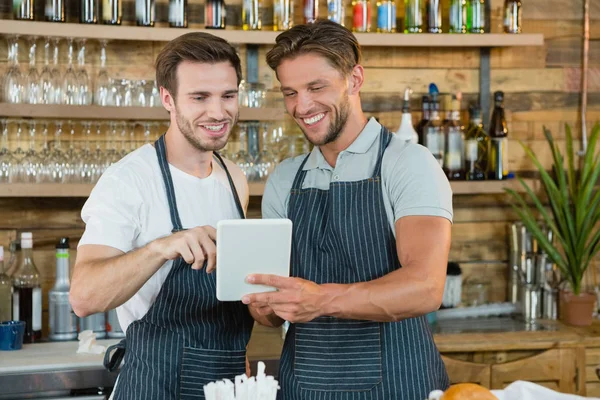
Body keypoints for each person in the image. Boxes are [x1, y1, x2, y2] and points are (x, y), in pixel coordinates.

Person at [242, 20, 453, 400]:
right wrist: (262, 303)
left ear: (354, 79)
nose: (301, 106)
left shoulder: (407, 164)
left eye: (316, 87)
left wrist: (320, 300)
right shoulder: (285, 179)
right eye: (290, 92)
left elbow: (425, 287)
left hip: (400, 386)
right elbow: (270, 314)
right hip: (304, 387)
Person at [70, 32, 256, 400]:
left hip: (227, 385)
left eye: (228, 96)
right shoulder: (130, 180)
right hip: (156, 387)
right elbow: (84, 297)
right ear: (167, 99)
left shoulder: (235, 179)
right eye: (200, 97)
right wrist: (161, 248)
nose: (218, 112)